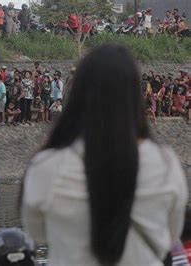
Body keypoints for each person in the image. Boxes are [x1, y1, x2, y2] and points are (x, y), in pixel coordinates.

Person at [21, 45, 188, 265]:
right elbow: (171, 231)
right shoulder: (165, 163)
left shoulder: (47, 165)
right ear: (136, 97)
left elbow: (38, 230)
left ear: (77, 94)